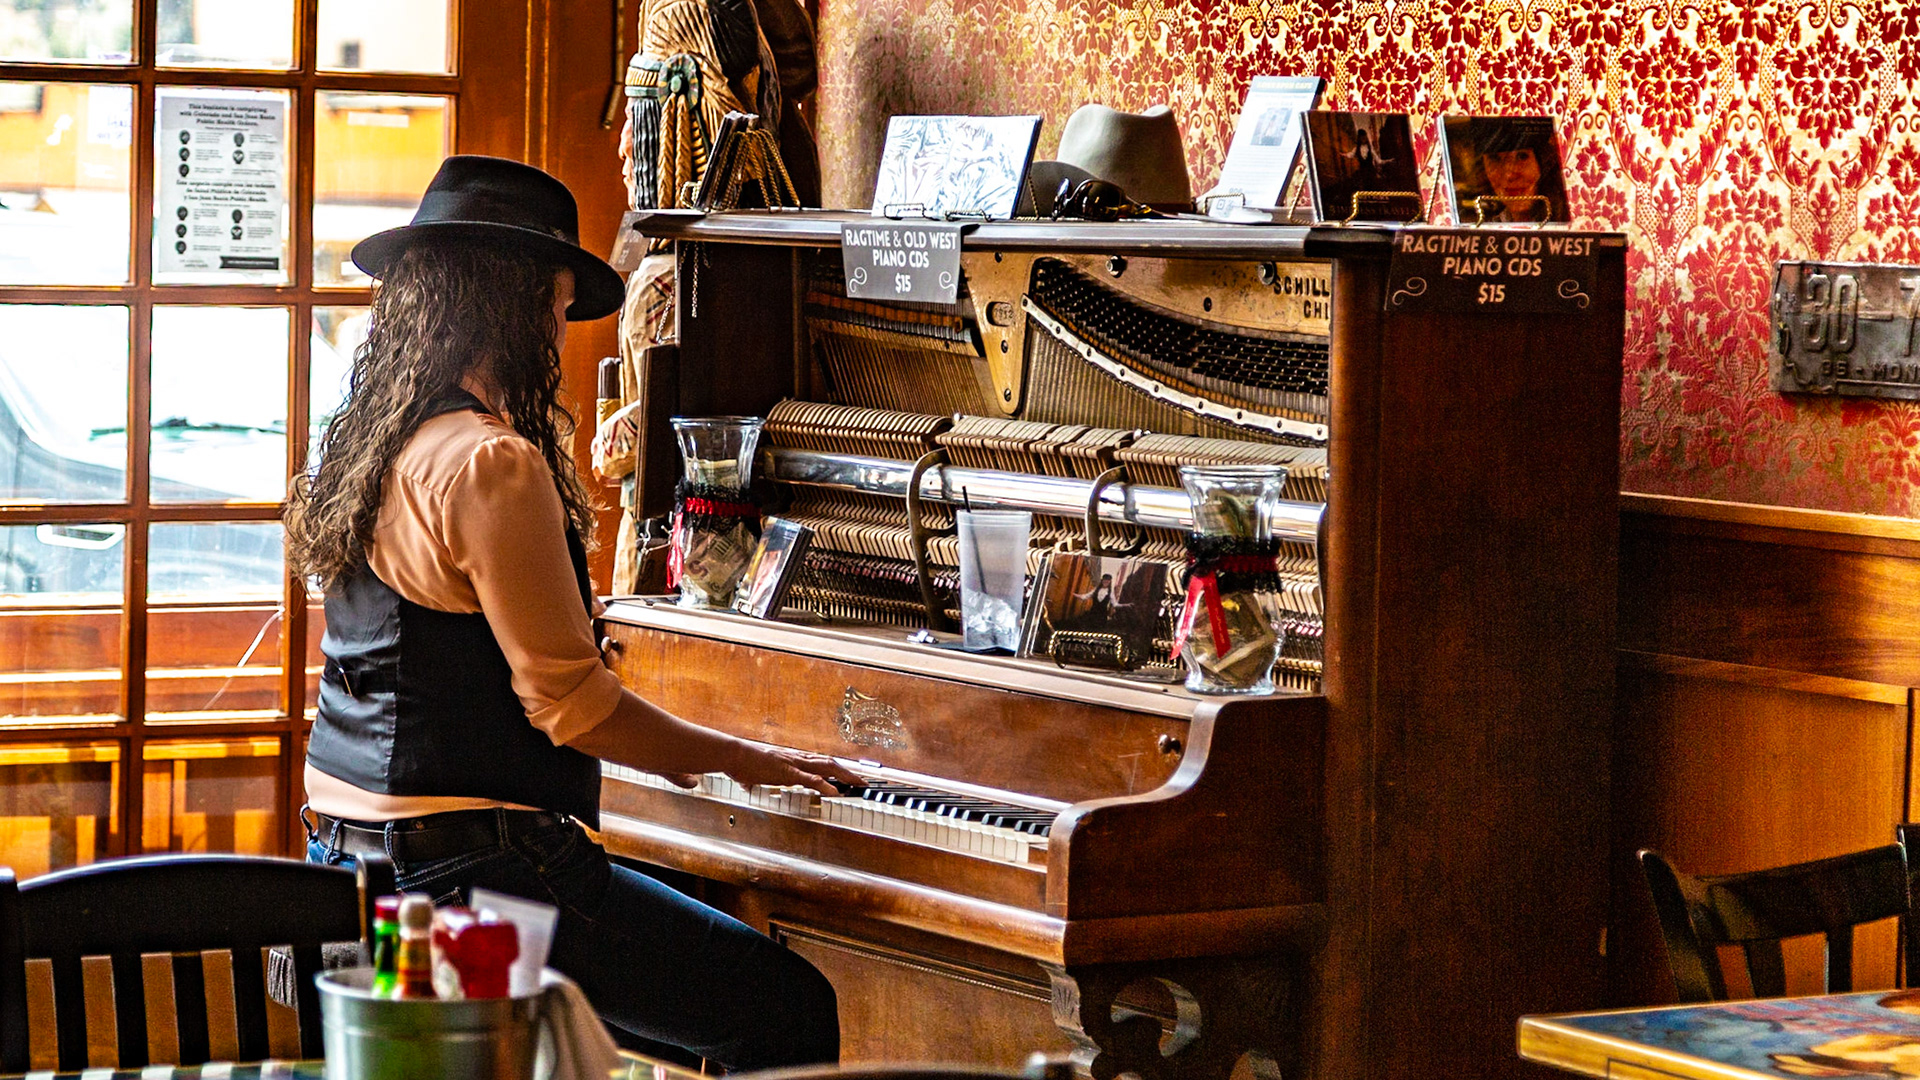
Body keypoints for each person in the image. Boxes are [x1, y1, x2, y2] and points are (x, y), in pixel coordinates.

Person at [288, 154, 853, 1069]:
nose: (561, 331)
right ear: (510, 306)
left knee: (655, 1009)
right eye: (555, 306)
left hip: (360, 874)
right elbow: (572, 708)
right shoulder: (490, 464)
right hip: (476, 893)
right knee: (781, 1005)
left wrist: (667, 762)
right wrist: (739, 761)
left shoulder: (375, 446)